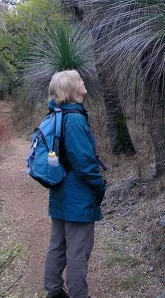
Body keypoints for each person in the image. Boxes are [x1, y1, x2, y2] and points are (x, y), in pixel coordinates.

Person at [43, 70, 106, 298]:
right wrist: (99, 186)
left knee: (57, 246)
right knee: (77, 253)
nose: (83, 81)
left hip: (60, 192)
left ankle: (54, 291)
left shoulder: (57, 116)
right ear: (72, 88)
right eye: (79, 79)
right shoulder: (75, 119)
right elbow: (84, 162)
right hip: (78, 197)